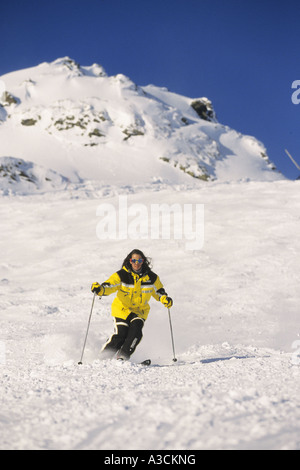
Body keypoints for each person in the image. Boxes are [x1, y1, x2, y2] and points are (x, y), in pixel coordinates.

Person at [91, 249, 173, 361]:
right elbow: (110, 285)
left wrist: (165, 299)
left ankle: (122, 357)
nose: (136, 263)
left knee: (136, 333)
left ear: (143, 261)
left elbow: (159, 291)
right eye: (133, 260)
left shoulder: (152, 278)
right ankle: (103, 358)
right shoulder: (122, 275)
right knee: (121, 334)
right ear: (130, 261)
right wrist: (100, 289)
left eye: (139, 260)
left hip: (140, 310)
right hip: (122, 309)